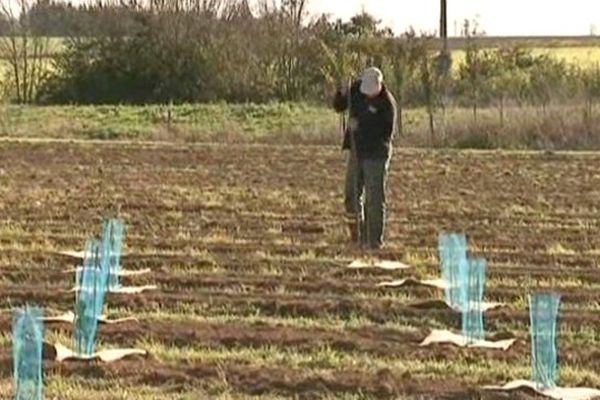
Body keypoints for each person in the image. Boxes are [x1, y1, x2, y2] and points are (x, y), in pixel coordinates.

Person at [332, 66, 397, 250]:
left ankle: (374, 241)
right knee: (351, 196)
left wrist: (359, 127)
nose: (368, 96)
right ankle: (357, 235)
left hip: (376, 154)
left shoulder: (387, 105)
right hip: (356, 152)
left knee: (374, 199)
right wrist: (341, 93)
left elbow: (385, 135)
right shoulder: (356, 91)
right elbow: (339, 106)